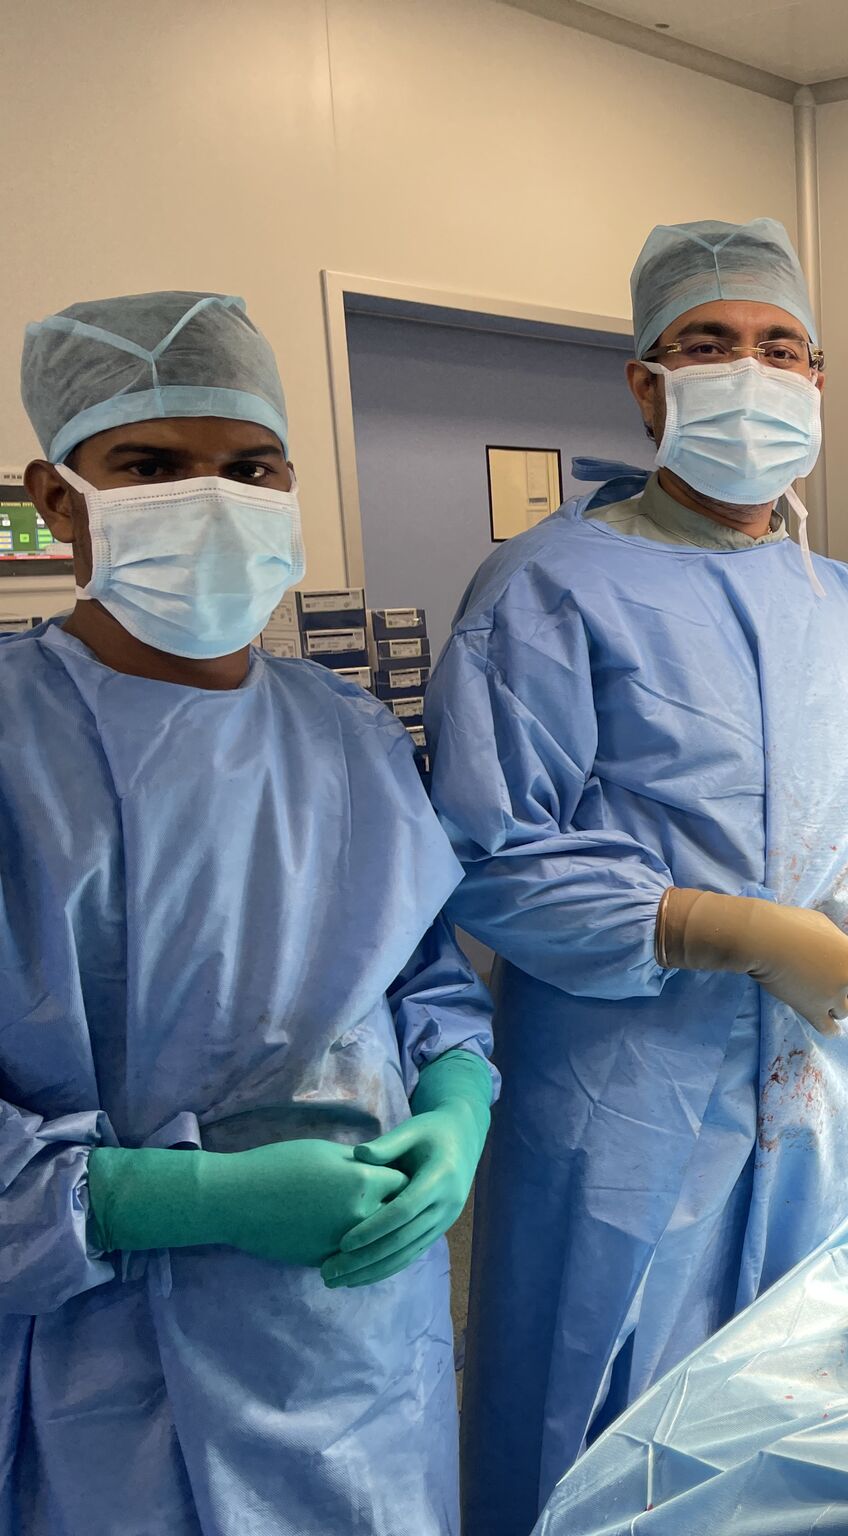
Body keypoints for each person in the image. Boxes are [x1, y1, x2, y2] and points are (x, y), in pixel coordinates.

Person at [427, 219, 848, 1535]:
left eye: (780, 347)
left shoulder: (845, 608)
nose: (749, 370)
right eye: (709, 345)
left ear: (820, 385)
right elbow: (488, 852)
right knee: (597, 1434)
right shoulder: (547, 590)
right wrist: (721, 928)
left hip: (824, 1103)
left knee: (799, 1427)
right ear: (647, 384)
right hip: (623, 1111)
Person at [0, 291, 494, 1536]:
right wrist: (177, 1201)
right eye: (153, 467)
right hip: (108, 1376)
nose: (214, 500)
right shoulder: (16, 748)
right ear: (58, 500)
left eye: (251, 467)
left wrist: (455, 1113)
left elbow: (424, 981)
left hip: (358, 1342)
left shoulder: (345, 730)